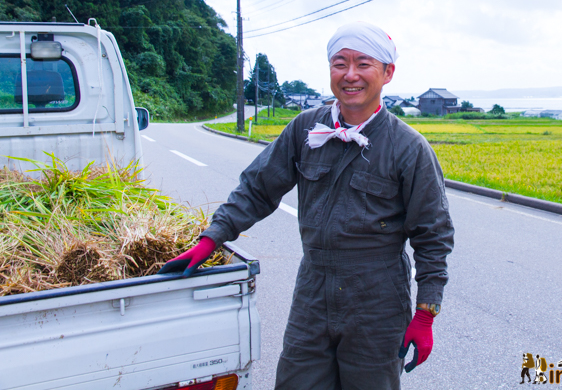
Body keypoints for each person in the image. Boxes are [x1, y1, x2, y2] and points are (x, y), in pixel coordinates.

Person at [160, 21, 455, 390]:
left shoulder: (408, 147)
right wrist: (212, 239)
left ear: (387, 73)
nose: (350, 75)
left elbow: (433, 234)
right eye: (339, 63)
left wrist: (426, 313)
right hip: (313, 291)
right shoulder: (305, 129)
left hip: (377, 301)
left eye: (363, 64)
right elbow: (257, 188)